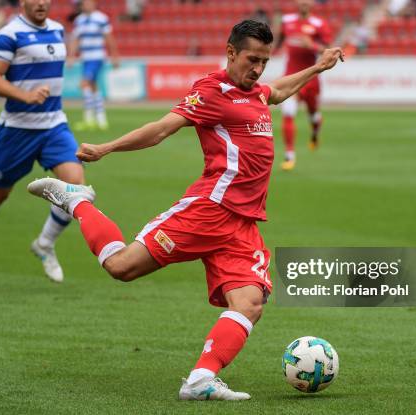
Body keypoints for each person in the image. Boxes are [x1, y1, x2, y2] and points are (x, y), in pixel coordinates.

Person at [28, 20, 344, 400]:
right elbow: (162, 129)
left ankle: (200, 380)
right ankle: (76, 199)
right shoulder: (211, 92)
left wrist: (317, 67)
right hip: (208, 210)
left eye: (264, 60)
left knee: (250, 302)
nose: (258, 68)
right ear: (231, 53)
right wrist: (106, 148)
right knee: (121, 267)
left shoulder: (256, 92)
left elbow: (276, 91)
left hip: (243, 224)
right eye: (251, 59)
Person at [0, 0, 87, 285]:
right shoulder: (10, 34)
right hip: (17, 129)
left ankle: (45, 244)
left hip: (54, 124)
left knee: (76, 189)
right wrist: (25, 95)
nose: (41, 2)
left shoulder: (57, 30)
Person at [274, 0, 332, 171]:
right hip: (291, 76)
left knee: (313, 115)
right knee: (288, 111)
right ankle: (289, 155)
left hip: (310, 77)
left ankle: (315, 131)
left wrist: (312, 46)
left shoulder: (319, 24)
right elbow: (278, 42)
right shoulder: (286, 21)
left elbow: (329, 51)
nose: (304, 3)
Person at [69, 0, 119, 131]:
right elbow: (76, 39)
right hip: (85, 58)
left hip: (96, 57)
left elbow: (109, 38)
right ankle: (101, 119)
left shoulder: (101, 18)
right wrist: (71, 56)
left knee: (85, 84)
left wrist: (114, 56)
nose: (85, 5)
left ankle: (89, 119)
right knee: (93, 87)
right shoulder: (79, 20)